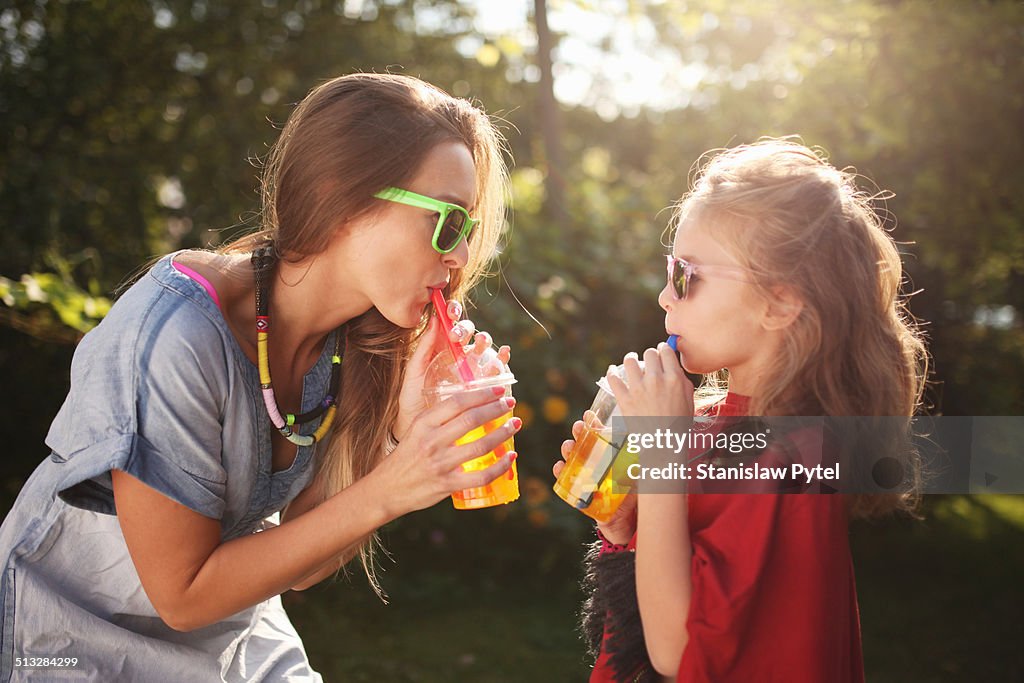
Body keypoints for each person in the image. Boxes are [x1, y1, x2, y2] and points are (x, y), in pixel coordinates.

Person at [0, 73, 522, 681]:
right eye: (449, 223)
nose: (460, 257)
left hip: (231, 636)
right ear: (342, 199)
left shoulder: (354, 342)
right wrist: (393, 486)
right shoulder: (175, 335)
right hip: (69, 639)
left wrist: (399, 438)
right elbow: (184, 595)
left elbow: (301, 562)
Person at [556, 139, 928, 682]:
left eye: (687, 275)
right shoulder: (722, 430)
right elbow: (652, 615)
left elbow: (677, 654)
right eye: (669, 270)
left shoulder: (797, 455)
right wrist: (625, 529)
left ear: (780, 302)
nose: (665, 295)